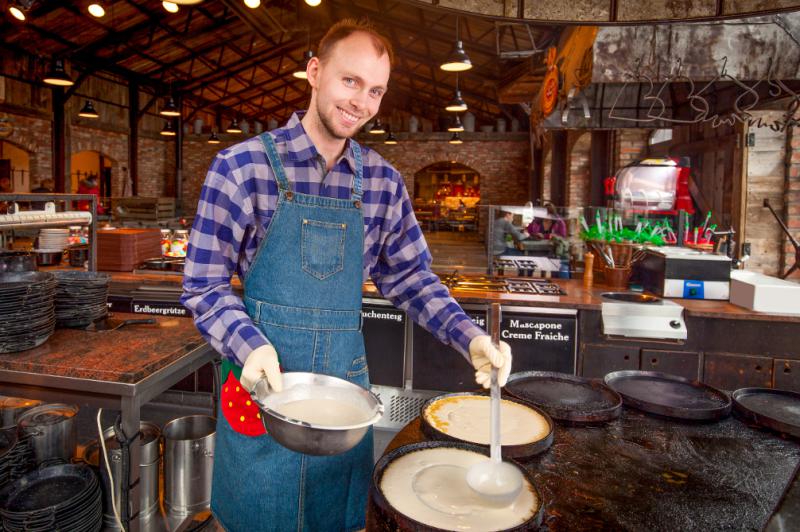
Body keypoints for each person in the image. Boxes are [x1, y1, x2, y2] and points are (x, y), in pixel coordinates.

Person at [181, 19, 513, 532]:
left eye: (375, 90)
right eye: (350, 81)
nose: (361, 101)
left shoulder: (382, 181)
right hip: (260, 392)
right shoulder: (241, 168)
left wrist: (468, 336)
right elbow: (203, 284)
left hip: (341, 399)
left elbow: (411, 277)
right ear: (314, 72)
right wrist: (249, 345)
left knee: (336, 521)